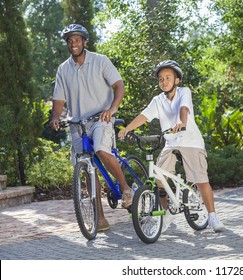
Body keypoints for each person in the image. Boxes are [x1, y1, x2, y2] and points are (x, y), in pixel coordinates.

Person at [118, 60, 225, 233]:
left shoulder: (184, 92)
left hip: (191, 142)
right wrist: (127, 129)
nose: (164, 81)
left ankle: (212, 216)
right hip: (171, 143)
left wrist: (181, 122)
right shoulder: (158, 100)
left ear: (177, 80)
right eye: (160, 79)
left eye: (168, 77)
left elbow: (184, 109)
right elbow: (144, 116)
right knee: (159, 180)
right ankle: (166, 214)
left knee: (201, 179)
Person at [50, 24, 134, 232]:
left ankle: (125, 188)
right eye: (70, 41)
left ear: (84, 41)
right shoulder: (63, 69)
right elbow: (59, 100)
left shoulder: (100, 61)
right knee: (86, 169)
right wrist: (55, 117)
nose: (73, 44)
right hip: (77, 122)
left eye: (77, 40)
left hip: (101, 118)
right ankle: (101, 219)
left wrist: (112, 109)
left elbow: (119, 85)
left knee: (100, 150)